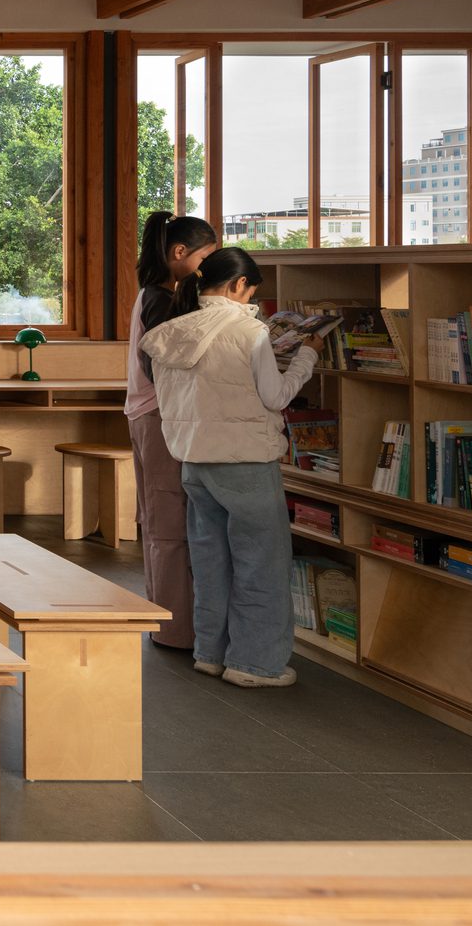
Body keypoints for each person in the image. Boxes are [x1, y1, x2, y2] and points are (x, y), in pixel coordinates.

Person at [141, 247, 321, 688]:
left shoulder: (171, 332)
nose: (249, 300)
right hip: (244, 462)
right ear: (239, 285)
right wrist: (306, 356)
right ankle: (255, 665)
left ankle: (210, 653)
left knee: (210, 562)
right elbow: (276, 397)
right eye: (251, 292)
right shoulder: (249, 331)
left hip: (193, 462)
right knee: (261, 562)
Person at [124, 211, 218, 650]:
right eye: (204, 257)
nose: (206, 268)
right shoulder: (160, 298)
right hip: (159, 416)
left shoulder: (156, 293)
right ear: (179, 253)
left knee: (161, 519)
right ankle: (176, 629)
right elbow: (161, 363)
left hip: (149, 415)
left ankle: (169, 620)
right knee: (168, 523)